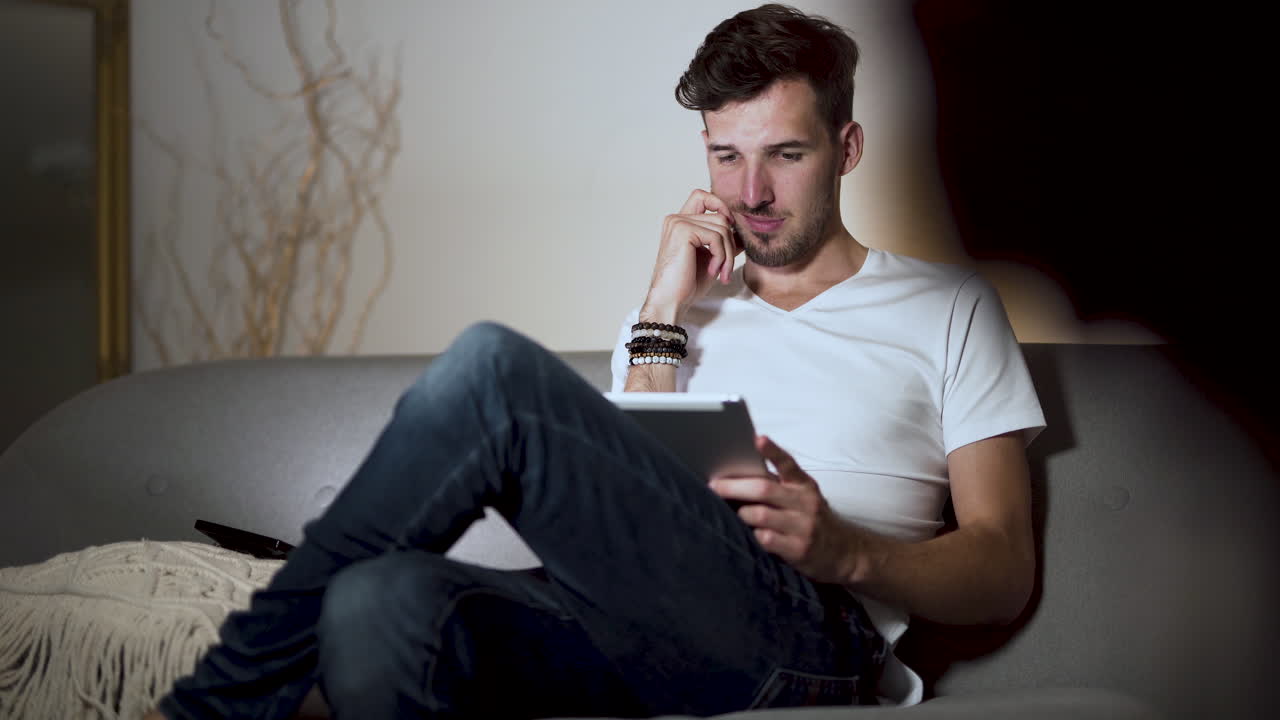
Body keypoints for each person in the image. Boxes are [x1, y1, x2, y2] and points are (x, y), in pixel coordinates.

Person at [147, 4, 1044, 718]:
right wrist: (662, 306)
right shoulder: (672, 317)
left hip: (808, 638)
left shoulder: (947, 307)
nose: (751, 193)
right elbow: (637, 509)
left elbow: (1003, 568)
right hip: (632, 629)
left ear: (846, 149)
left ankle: (218, 700)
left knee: (493, 373)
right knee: (376, 600)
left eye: (786, 155)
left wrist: (845, 551)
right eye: (726, 156)